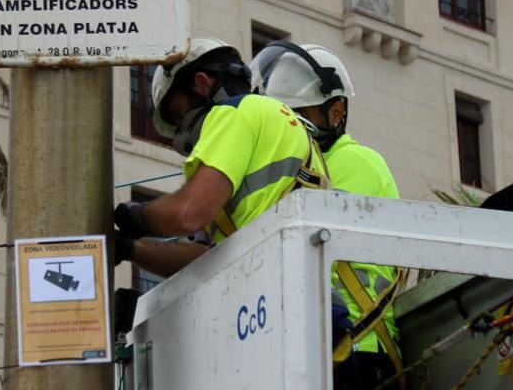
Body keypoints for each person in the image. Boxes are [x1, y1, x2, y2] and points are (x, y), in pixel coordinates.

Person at [249, 41, 404, 390]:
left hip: (357, 347)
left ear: (336, 113)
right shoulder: (305, 165)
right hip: (325, 342)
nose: (289, 128)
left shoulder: (354, 162)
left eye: (297, 116)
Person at [113, 38, 329, 277]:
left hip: (285, 282)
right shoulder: (279, 126)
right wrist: (132, 249)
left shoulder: (233, 112)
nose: (181, 130)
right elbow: (205, 258)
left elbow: (188, 212)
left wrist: (140, 216)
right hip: (294, 281)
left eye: (178, 113)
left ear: (201, 83)